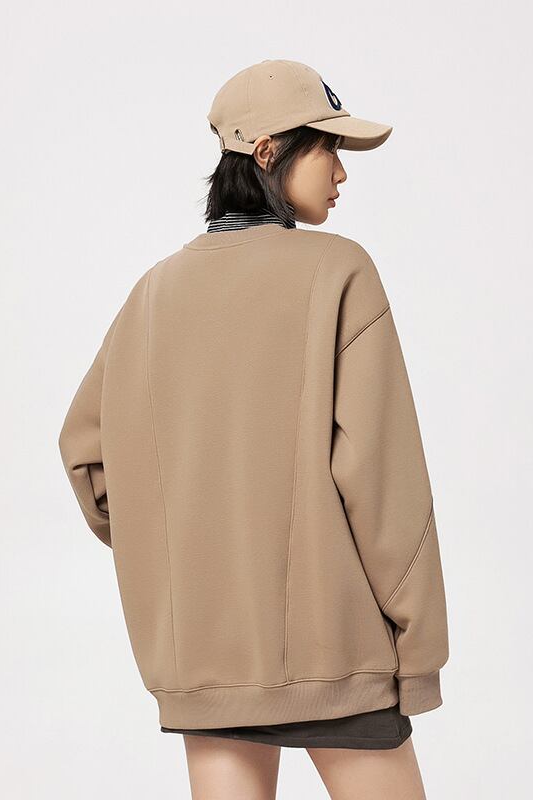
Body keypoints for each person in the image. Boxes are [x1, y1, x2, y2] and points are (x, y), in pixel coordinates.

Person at [58, 59, 449, 800]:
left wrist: (178, 559)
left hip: (204, 657)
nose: (342, 172)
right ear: (267, 151)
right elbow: (382, 481)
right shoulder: (339, 271)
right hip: (333, 654)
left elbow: (87, 456)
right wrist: (418, 645)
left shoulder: (153, 293)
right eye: (327, 148)